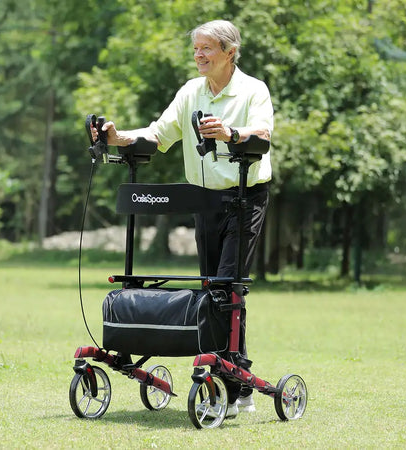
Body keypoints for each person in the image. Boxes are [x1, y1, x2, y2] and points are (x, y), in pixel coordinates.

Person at [93, 20, 273, 417]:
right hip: (203, 200)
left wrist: (230, 133)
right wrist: (119, 137)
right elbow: (159, 135)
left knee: (227, 289)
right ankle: (233, 378)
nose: (199, 55)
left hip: (246, 197)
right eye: (196, 48)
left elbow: (262, 134)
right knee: (214, 290)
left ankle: (231, 382)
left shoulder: (253, 90)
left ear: (230, 52)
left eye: (207, 48)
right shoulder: (191, 91)